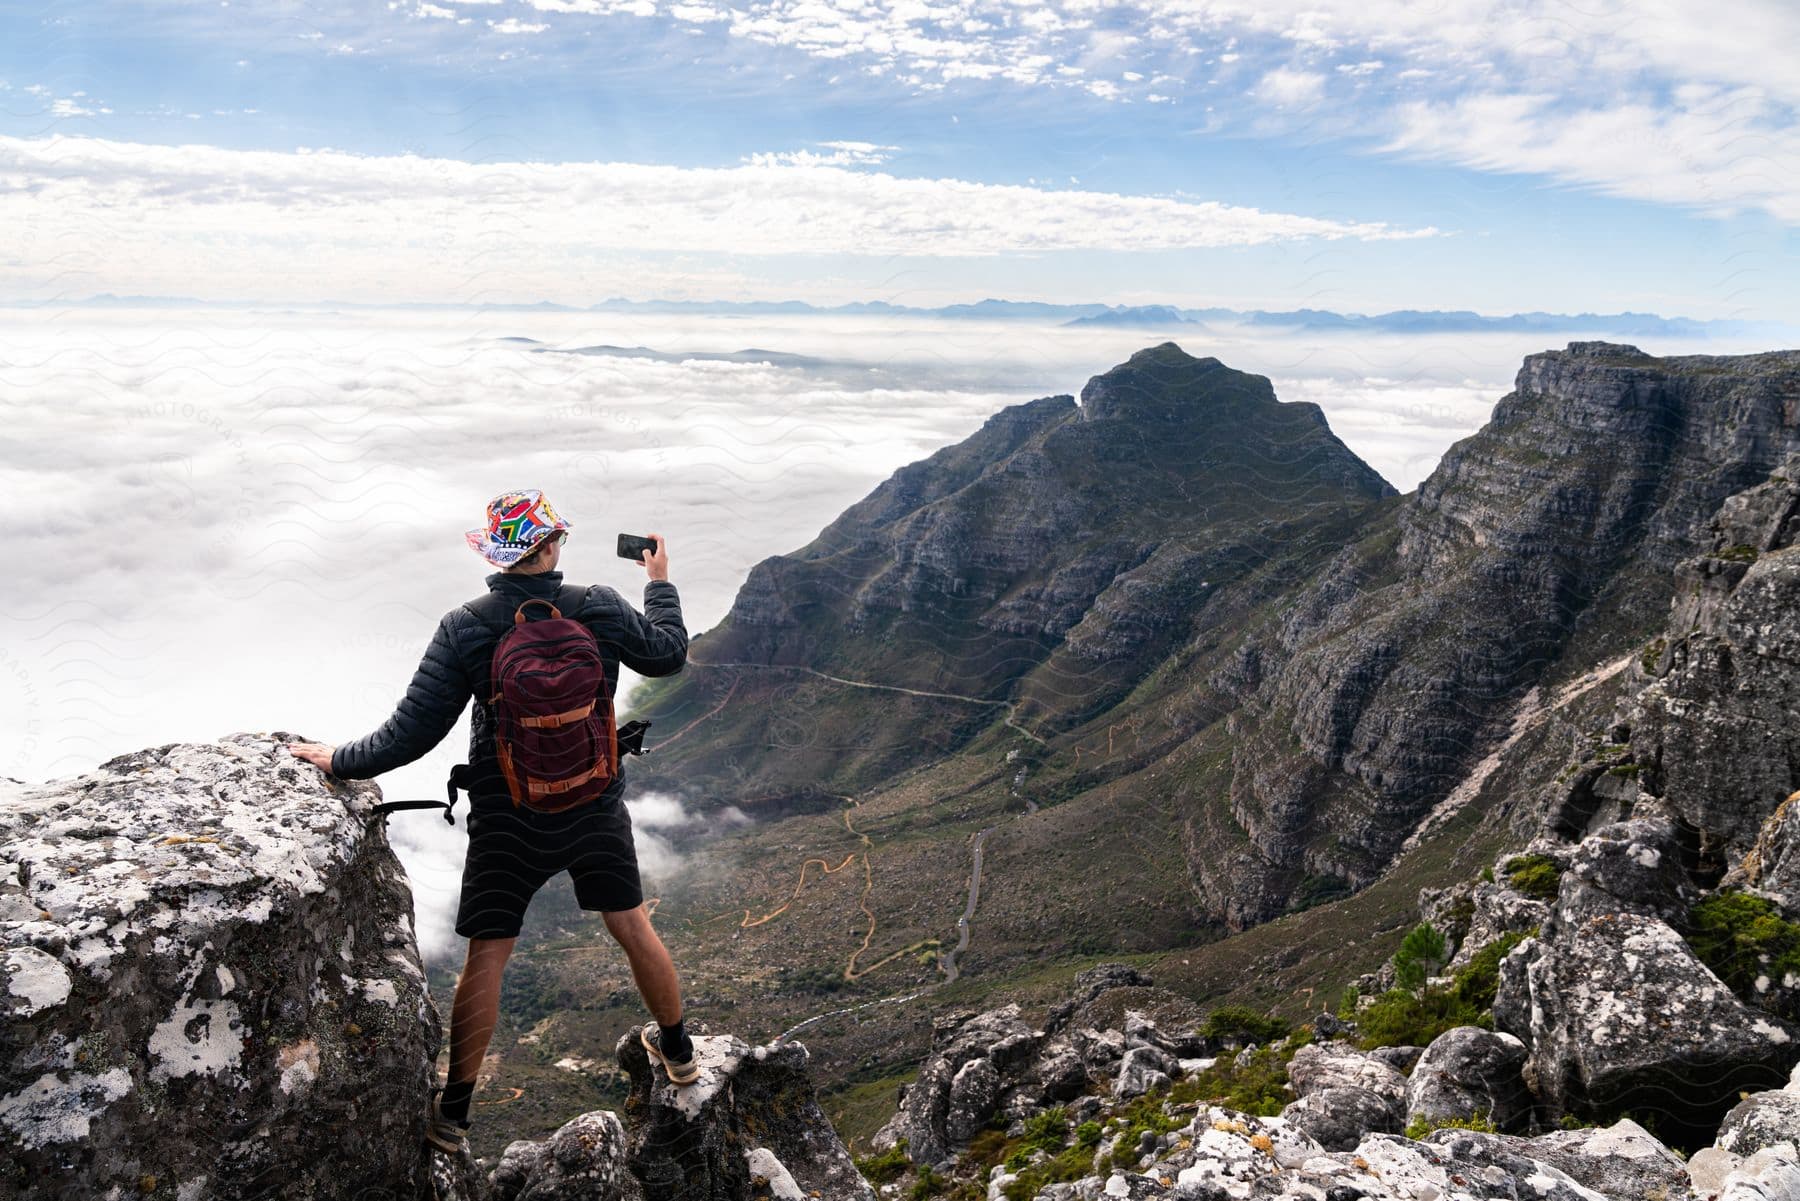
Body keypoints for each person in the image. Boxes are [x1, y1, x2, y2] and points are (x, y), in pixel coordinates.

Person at [285, 488, 699, 1156]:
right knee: (631, 925)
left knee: (488, 956)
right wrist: (659, 582)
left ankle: (453, 1116)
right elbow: (669, 654)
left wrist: (339, 758)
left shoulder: (467, 626)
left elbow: (408, 734)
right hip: (595, 804)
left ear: (498, 556)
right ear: (553, 546)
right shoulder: (596, 606)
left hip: (510, 814)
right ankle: (679, 1055)